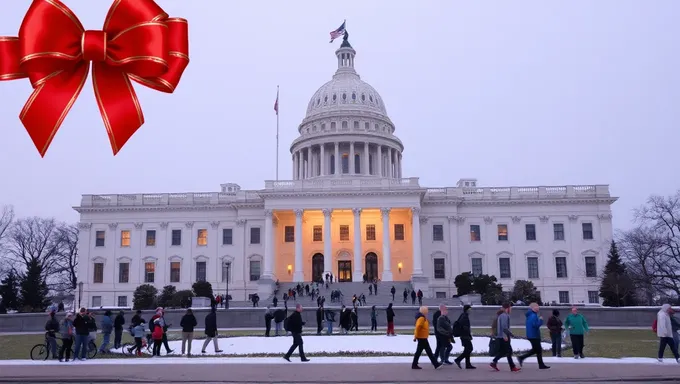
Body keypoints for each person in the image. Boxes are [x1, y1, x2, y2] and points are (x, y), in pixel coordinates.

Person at [517, 303, 550, 369]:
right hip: (534, 335)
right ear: (533, 308)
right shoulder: (533, 316)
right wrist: (540, 320)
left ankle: (540, 364)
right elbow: (535, 325)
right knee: (537, 350)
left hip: (532, 335)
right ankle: (521, 357)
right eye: (537, 307)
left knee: (537, 350)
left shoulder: (530, 315)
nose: (538, 308)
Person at [490, 302, 520, 372]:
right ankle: (512, 367)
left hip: (501, 336)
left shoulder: (502, 315)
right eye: (510, 308)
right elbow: (504, 327)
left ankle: (494, 362)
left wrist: (511, 335)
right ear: (507, 308)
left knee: (504, 352)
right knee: (509, 351)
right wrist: (506, 336)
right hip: (503, 337)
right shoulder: (504, 315)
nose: (511, 309)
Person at [453, 304, 475, 369]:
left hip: (464, 335)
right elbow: (464, 327)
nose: (470, 311)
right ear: (467, 310)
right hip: (465, 336)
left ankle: (468, 364)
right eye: (470, 309)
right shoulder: (464, 316)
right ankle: (458, 359)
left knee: (467, 349)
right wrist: (468, 333)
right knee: (470, 349)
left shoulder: (463, 315)